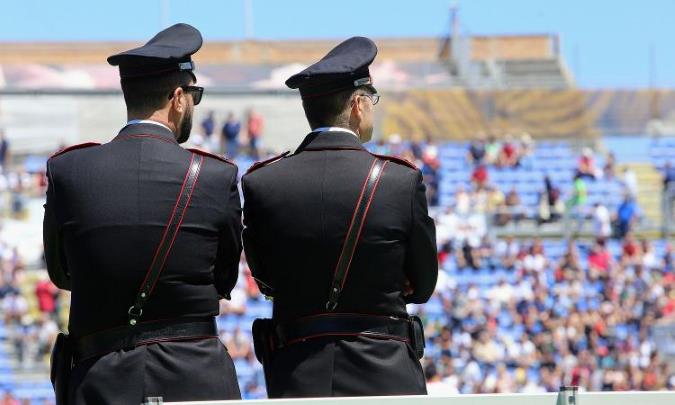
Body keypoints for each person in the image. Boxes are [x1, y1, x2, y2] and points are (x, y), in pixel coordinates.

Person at [43, 24, 242, 404]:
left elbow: (61, 273)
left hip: (100, 379)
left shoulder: (69, 171)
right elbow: (223, 279)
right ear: (178, 98)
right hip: (197, 377)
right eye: (194, 96)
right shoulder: (216, 176)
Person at [242, 37, 437, 397]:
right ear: (358, 105)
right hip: (385, 370)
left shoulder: (263, 182)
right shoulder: (399, 181)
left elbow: (267, 280)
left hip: (297, 371)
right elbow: (423, 285)